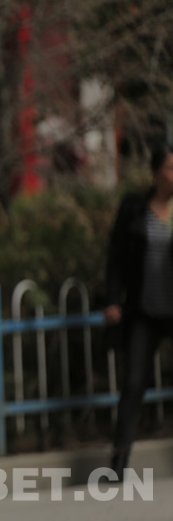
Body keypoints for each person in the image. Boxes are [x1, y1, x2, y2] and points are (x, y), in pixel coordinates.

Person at [104, 141, 173, 478]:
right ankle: (119, 460)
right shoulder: (134, 209)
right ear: (156, 172)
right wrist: (112, 299)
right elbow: (115, 257)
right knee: (133, 384)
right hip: (143, 310)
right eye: (170, 168)